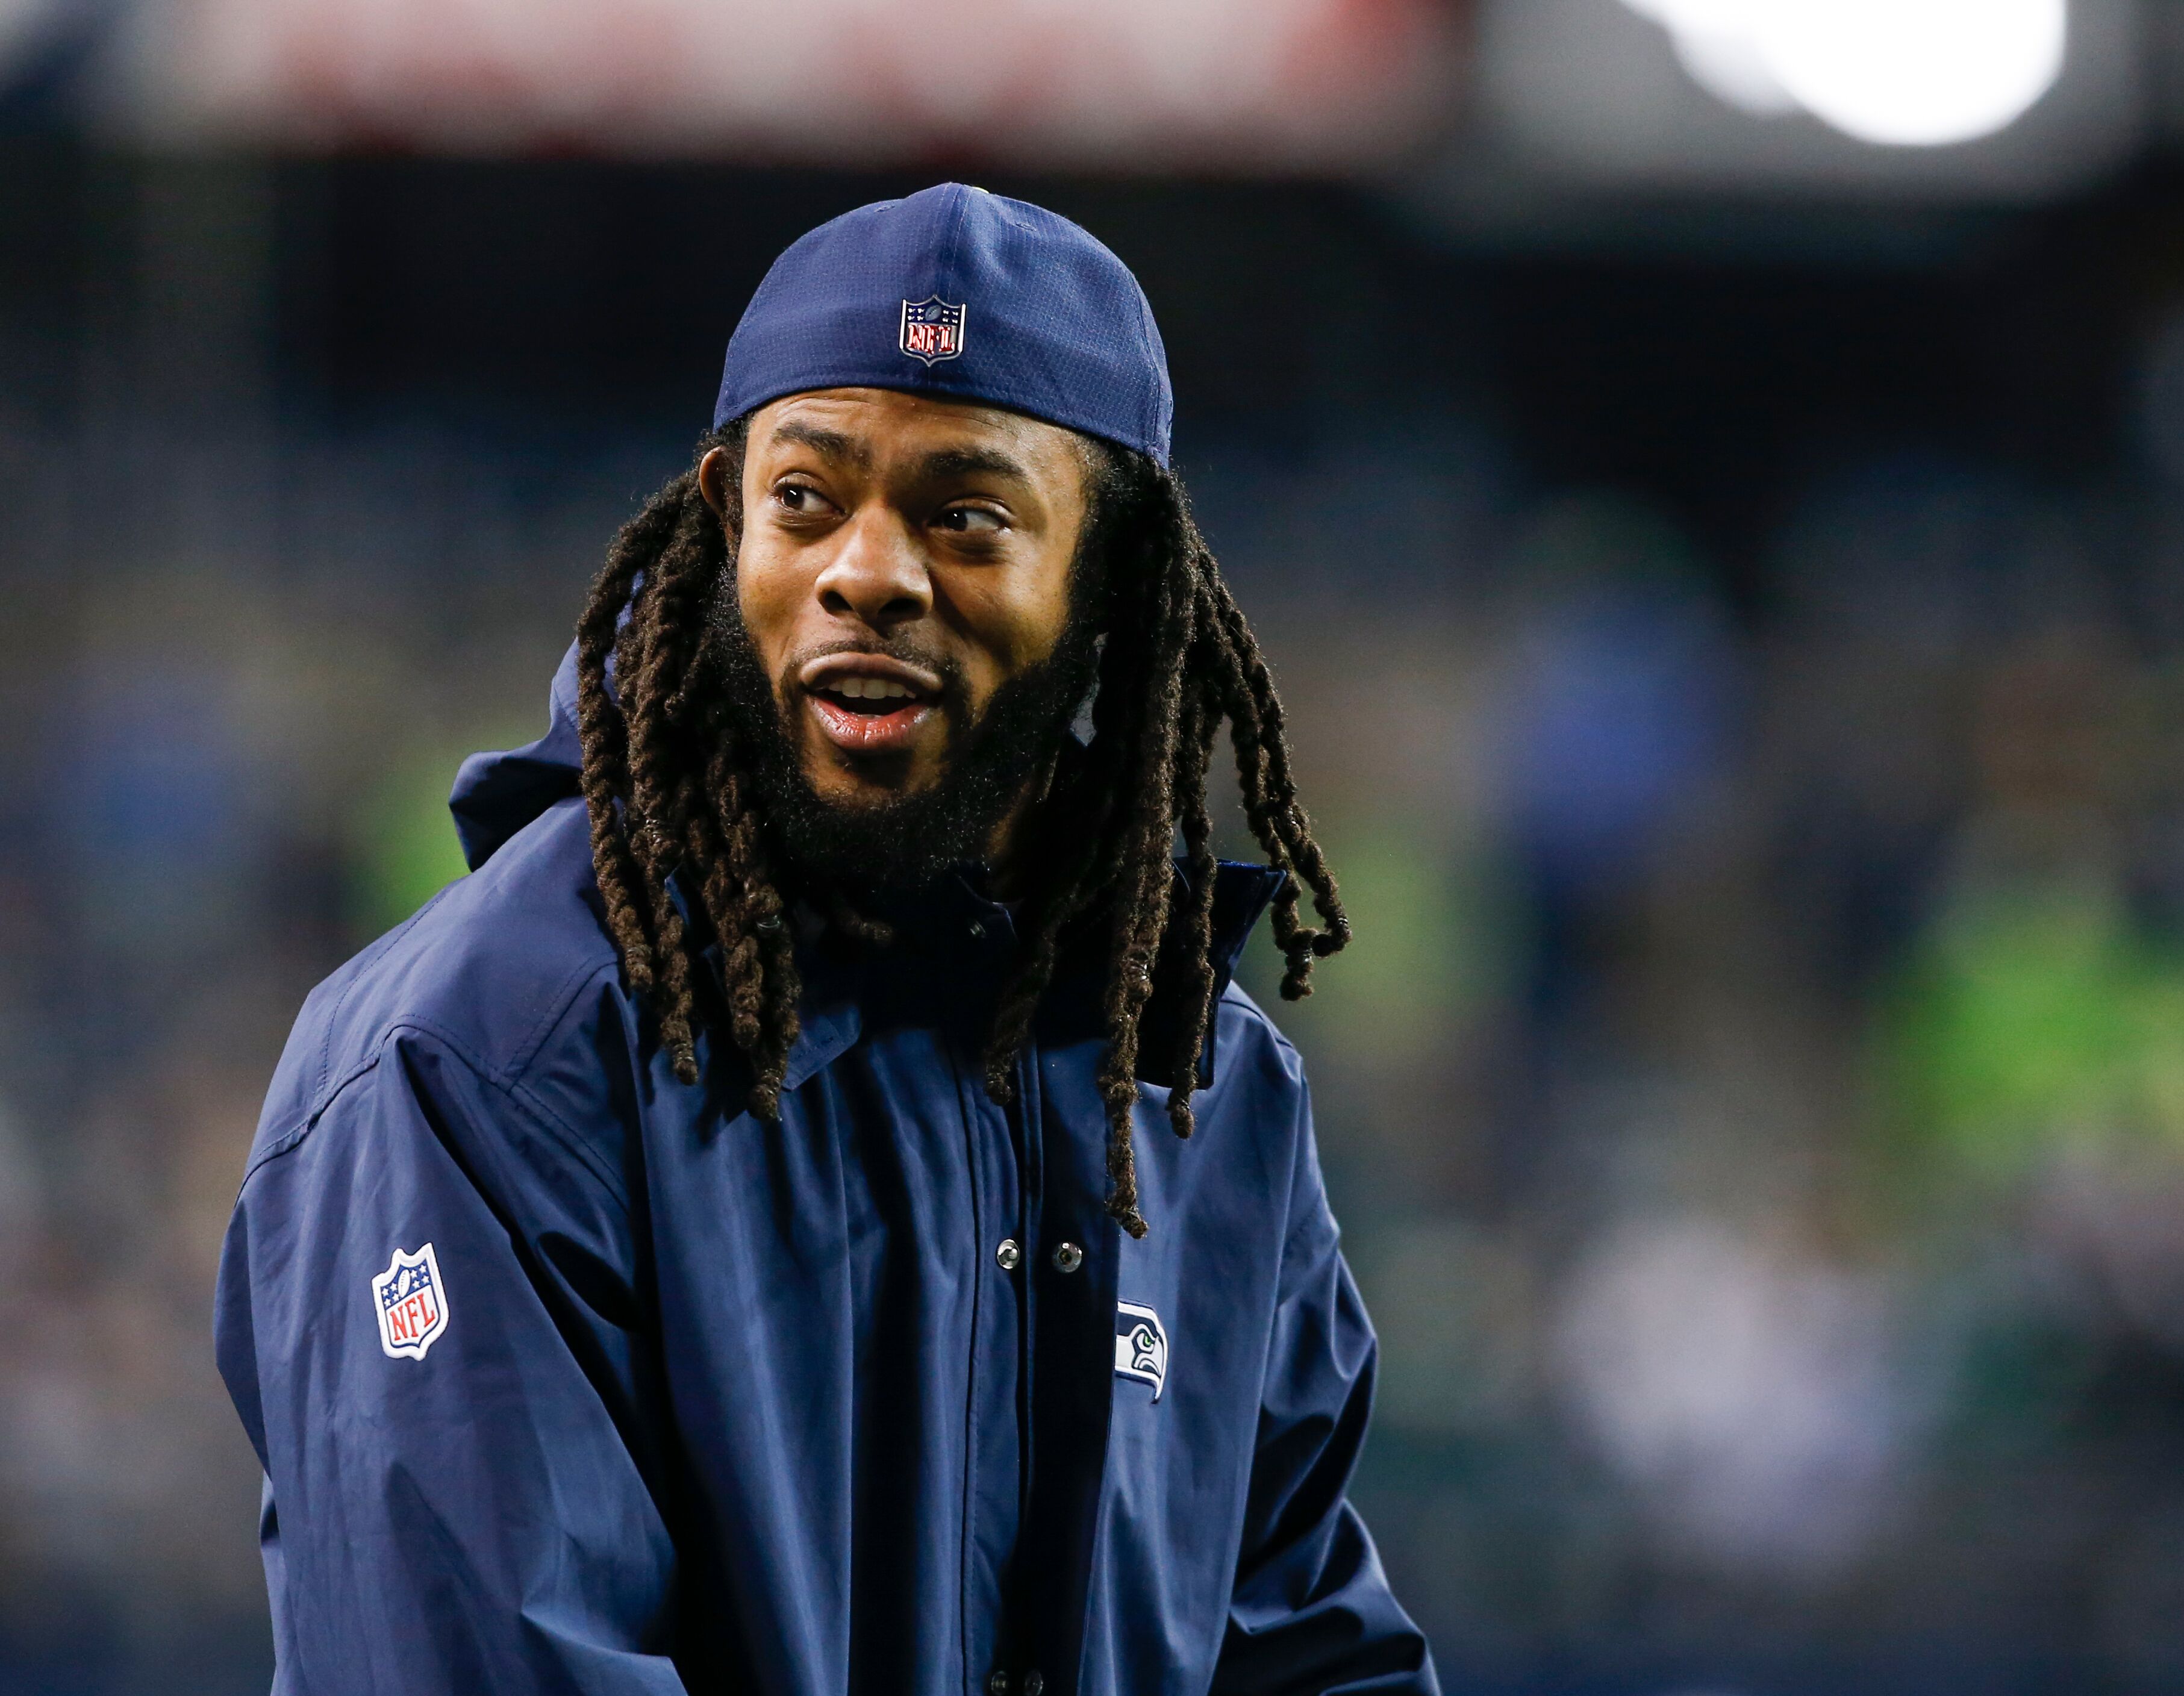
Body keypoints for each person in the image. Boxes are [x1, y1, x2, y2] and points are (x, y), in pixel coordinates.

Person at [215, 182, 1438, 1696]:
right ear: (727, 515)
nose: (867, 569)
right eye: (807, 500)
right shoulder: (483, 1056)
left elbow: (1312, 1657)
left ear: (1110, 584)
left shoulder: (1201, 1092)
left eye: (964, 516)